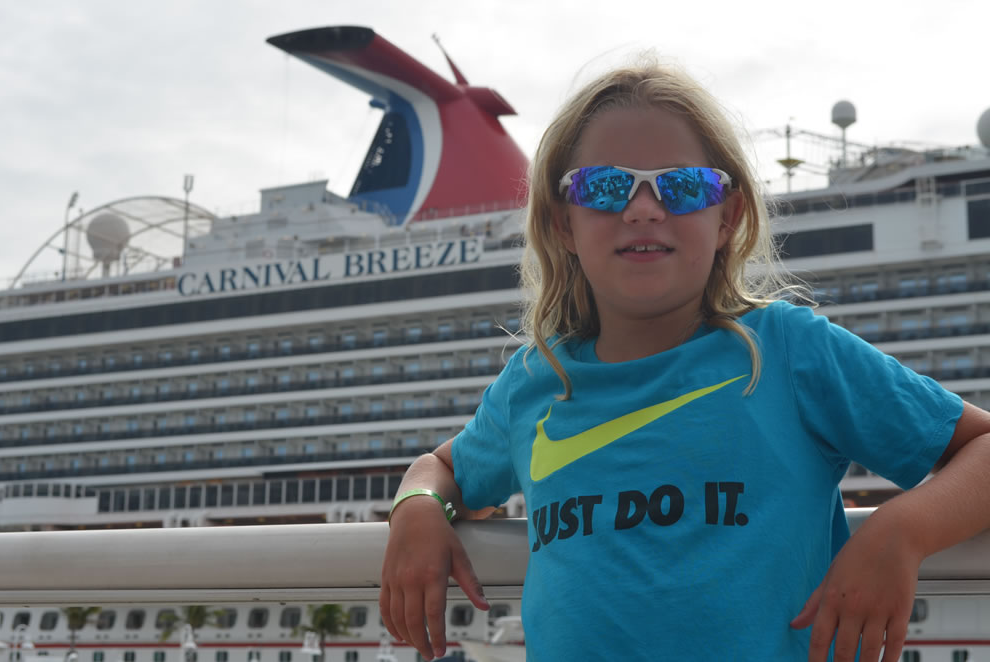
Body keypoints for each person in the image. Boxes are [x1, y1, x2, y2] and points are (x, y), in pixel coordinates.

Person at [379, 57, 990, 662]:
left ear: (728, 217)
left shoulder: (787, 350)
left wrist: (900, 531)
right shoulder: (537, 380)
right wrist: (417, 506)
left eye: (682, 186)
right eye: (605, 186)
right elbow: (443, 469)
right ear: (564, 223)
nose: (644, 208)